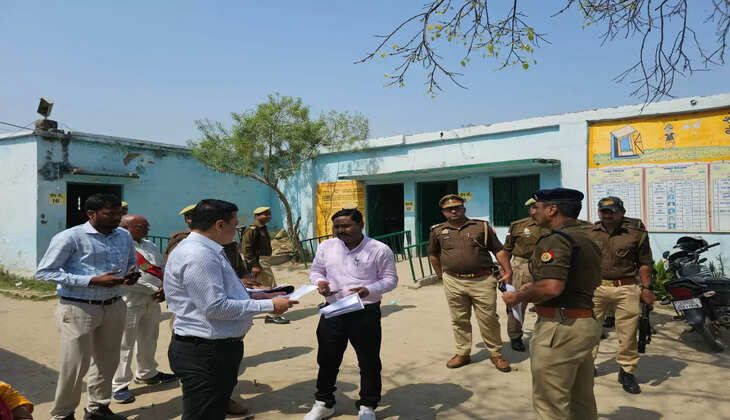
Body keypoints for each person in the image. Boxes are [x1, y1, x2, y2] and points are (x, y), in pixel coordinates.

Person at [165, 199, 297, 420]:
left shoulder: (210, 250)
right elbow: (215, 307)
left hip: (216, 348)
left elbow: (220, 293)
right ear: (219, 225)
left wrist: (258, 295)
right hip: (205, 351)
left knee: (214, 409)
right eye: (234, 225)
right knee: (204, 414)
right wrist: (270, 305)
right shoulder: (199, 255)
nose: (236, 231)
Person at [36, 193, 140, 420]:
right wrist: (92, 280)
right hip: (78, 309)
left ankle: (97, 409)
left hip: (114, 305)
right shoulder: (70, 237)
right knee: (75, 365)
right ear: (91, 214)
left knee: (108, 361)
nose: (117, 218)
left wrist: (131, 275)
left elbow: (132, 262)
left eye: (119, 213)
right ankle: (63, 414)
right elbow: (44, 272)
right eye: (110, 214)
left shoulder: (123, 235)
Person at [502, 188, 602, 420]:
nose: (533, 212)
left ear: (552, 210)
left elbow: (551, 287)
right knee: (581, 400)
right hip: (583, 322)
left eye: (536, 207)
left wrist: (518, 296)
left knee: (550, 404)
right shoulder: (586, 236)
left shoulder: (555, 239)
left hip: (560, 327)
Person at [303, 208, 398, 420]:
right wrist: (320, 283)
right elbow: (316, 271)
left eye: (346, 226)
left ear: (361, 225)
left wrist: (369, 289)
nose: (340, 230)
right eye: (336, 226)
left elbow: (390, 280)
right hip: (333, 311)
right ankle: (324, 403)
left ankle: (367, 405)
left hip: (365, 312)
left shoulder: (379, 249)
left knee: (368, 361)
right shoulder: (326, 246)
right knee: (327, 360)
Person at [427, 194, 513, 372]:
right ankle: (462, 353)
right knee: (459, 319)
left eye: (457, 207)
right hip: (453, 281)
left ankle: (496, 354)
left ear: (464, 209)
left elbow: (498, 250)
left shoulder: (481, 227)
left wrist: (508, 270)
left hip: (482, 280)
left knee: (488, 319)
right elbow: (433, 254)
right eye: (449, 209)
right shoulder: (437, 231)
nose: (453, 211)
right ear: (443, 212)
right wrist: (441, 276)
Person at [587, 196, 655, 394]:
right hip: (596, 287)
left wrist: (647, 288)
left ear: (622, 212)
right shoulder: (589, 233)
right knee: (589, 330)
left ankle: (627, 371)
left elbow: (644, 263)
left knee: (628, 334)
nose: (607, 215)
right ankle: (587, 365)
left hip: (626, 288)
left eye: (612, 212)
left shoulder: (636, 234)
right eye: (603, 211)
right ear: (599, 213)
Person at [111, 215, 177, 404]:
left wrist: (166, 288)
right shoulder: (118, 246)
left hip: (152, 301)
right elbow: (125, 276)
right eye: (142, 226)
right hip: (129, 302)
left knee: (149, 339)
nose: (148, 228)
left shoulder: (150, 245)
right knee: (125, 344)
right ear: (126, 227)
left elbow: (161, 268)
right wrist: (156, 289)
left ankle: (147, 373)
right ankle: (119, 384)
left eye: (147, 225)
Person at [502, 197, 549, 352]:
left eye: (539, 207)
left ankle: (546, 335)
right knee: (516, 303)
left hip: (546, 267)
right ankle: (515, 336)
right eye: (533, 207)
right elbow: (506, 250)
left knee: (547, 303)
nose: (536, 211)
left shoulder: (554, 225)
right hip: (521, 267)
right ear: (530, 210)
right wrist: (505, 272)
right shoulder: (518, 225)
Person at [242, 206, 288, 324]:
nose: (268, 216)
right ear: (257, 216)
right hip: (260, 261)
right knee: (271, 287)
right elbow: (246, 249)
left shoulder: (262, 228)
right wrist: (254, 264)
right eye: (265, 214)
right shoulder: (252, 230)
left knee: (258, 287)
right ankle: (273, 315)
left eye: (269, 214)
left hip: (264, 260)